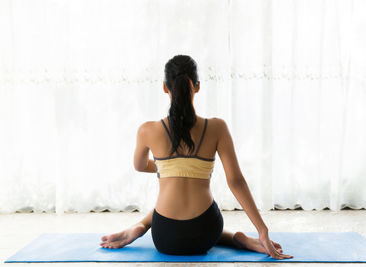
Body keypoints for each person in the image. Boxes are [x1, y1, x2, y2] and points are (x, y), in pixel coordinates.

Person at [99, 55, 293, 259]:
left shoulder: (148, 130)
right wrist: (262, 230)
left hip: (165, 236)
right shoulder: (217, 127)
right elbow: (236, 181)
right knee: (207, 215)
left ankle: (140, 225)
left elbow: (139, 166)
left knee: (165, 202)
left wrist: (168, 168)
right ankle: (240, 238)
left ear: (165, 87)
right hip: (206, 232)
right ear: (197, 86)